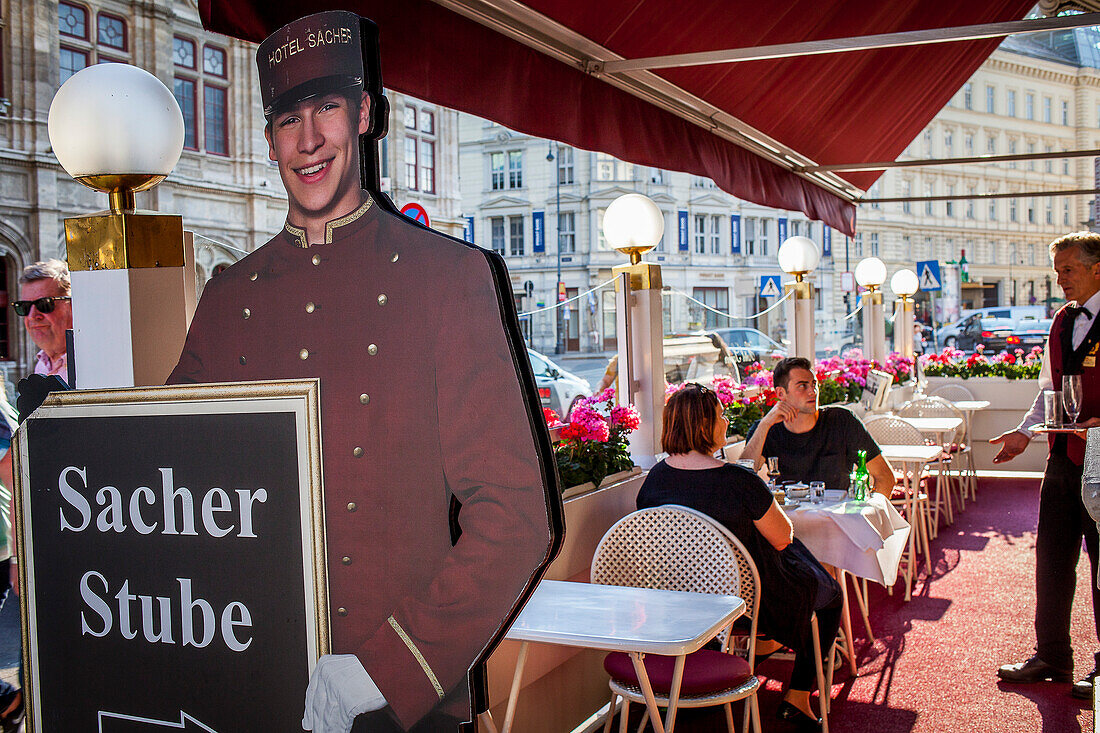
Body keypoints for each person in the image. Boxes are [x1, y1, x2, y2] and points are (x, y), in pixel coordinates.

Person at [168, 11, 560, 733]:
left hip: (402, 705)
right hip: (256, 689)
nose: (309, 138)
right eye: (289, 119)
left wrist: (386, 668)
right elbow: (167, 484)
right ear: (269, 140)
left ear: (366, 115)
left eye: (327, 108)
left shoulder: (450, 278)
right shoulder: (229, 297)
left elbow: (515, 516)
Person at [636, 384, 840, 730]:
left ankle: (759, 648)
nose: (726, 421)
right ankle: (798, 695)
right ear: (704, 426)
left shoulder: (654, 481)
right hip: (743, 603)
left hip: (681, 603)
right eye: (720, 415)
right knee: (829, 594)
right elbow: (782, 537)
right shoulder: (737, 480)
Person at [992, 231, 1100, 699]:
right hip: (1062, 459)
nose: (1061, 281)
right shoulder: (1060, 322)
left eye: (1069, 270)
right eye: (1057, 272)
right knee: (1052, 561)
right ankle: (1053, 655)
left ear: (1098, 268)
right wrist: (1023, 433)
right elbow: (1048, 393)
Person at [741, 357, 895, 495]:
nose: (813, 392)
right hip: (788, 523)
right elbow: (743, 477)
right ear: (781, 394)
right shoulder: (766, 429)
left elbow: (885, 477)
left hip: (838, 522)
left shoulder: (841, 421)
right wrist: (765, 424)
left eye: (814, 384)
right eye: (802, 386)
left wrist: (868, 517)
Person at [13, 260, 72, 380]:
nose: (32, 316)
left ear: (72, 304)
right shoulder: (42, 366)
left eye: (44, 304)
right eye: (24, 307)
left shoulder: (90, 364)